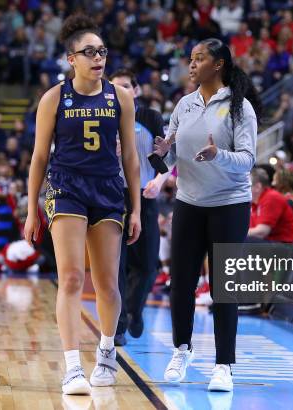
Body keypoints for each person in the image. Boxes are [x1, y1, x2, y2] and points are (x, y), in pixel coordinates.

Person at [23, 15, 141, 395]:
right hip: (66, 187)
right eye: (88, 52)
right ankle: (72, 367)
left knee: (107, 283)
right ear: (71, 58)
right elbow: (39, 158)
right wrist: (31, 209)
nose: (98, 58)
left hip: (108, 190)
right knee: (72, 277)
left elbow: (132, 160)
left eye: (102, 51)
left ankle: (106, 352)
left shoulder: (120, 97)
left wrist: (135, 208)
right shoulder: (54, 98)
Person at [153, 37, 260, 392]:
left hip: (229, 205)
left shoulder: (239, 108)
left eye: (199, 59)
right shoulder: (183, 105)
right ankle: (181, 350)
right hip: (188, 202)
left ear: (218, 65)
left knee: (222, 289)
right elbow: (171, 157)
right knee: (180, 283)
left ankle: (224, 365)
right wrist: (161, 153)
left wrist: (219, 156)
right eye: (191, 58)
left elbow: (247, 160)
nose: (192, 64)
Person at [109, 69, 168, 346]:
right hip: (111, 196)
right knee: (116, 264)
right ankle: (118, 326)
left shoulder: (150, 117)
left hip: (144, 195)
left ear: (136, 90)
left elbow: (166, 156)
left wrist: (159, 180)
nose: (120, 92)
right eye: (115, 87)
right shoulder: (103, 117)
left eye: (125, 87)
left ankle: (134, 308)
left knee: (147, 264)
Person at [248, 168, 293, 243]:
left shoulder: (271, 197)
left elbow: (261, 232)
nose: (242, 189)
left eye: (246, 186)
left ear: (257, 187)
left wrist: (236, 234)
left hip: (287, 246)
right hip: (273, 243)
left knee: (243, 242)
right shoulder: (254, 202)